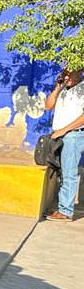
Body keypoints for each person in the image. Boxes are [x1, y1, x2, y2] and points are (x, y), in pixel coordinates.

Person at [44, 67, 84, 222]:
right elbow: (48, 106)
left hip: (73, 135)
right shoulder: (63, 90)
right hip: (60, 136)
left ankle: (65, 211)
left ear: (79, 72)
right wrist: (57, 88)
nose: (65, 76)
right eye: (64, 73)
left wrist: (64, 130)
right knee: (61, 171)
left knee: (69, 172)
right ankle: (62, 206)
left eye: (69, 73)